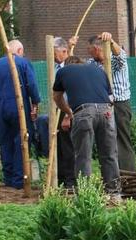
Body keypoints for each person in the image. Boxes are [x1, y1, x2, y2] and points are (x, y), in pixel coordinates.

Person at [51, 56, 120, 194]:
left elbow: (57, 97)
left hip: (83, 112)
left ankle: (86, 193)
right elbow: (112, 99)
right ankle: (114, 192)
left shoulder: (63, 71)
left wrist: (68, 112)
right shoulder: (99, 70)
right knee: (109, 154)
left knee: (83, 155)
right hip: (106, 111)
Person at [72, 32, 136, 172]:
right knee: (106, 142)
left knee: (121, 140)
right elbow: (73, 67)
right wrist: (70, 47)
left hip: (119, 105)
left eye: (89, 49)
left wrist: (111, 41)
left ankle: (128, 174)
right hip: (102, 107)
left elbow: (121, 56)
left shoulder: (114, 60)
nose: (88, 52)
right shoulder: (91, 64)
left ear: (97, 48)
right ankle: (111, 176)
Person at [0, 40, 41, 189]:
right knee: (22, 140)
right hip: (19, 106)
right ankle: (19, 179)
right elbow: (31, 85)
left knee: (5, 142)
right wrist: (35, 104)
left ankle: (8, 178)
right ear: (19, 50)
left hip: (0, 107)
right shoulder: (23, 63)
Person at [53, 37, 76, 189]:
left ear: (64, 51)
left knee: (69, 146)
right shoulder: (56, 67)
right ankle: (61, 177)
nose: (53, 56)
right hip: (58, 109)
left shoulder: (71, 67)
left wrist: (68, 114)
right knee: (60, 145)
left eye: (55, 53)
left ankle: (71, 180)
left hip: (69, 108)